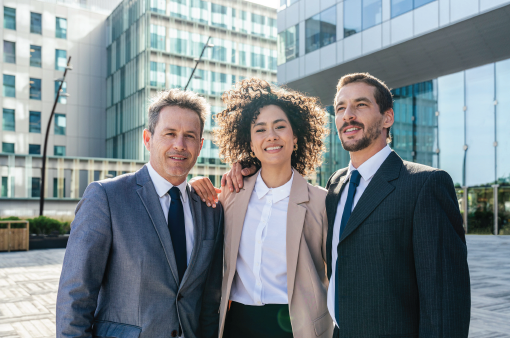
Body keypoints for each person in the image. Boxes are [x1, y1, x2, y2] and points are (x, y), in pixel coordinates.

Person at [217, 73, 471, 338]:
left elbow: (445, 298)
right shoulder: (337, 186)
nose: (348, 114)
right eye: (340, 108)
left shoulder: (424, 184)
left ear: (388, 117)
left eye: (361, 104)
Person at [56, 89, 224, 338]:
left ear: (200, 146)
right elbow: (76, 295)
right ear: (148, 138)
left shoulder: (210, 209)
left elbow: (210, 302)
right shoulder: (106, 197)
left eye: (190, 136)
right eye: (170, 133)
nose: (180, 144)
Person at [190, 78, 333, 338]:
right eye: (260, 129)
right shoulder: (232, 195)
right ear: (251, 143)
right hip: (237, 325)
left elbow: (337, 278)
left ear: (296, 137)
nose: (271, 136)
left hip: (297, 327)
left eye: (280, 127)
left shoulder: (321, 202)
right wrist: (194, 184)